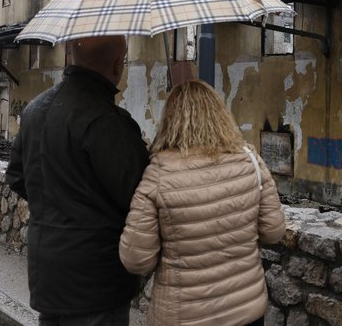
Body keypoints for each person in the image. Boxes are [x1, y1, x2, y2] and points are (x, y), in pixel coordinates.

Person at [6, 35, 150, 326]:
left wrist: (58, 204)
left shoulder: (34, 110)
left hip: (48, 274)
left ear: (70, 58)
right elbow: (139, 195)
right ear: (116, 64)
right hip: (96, 281)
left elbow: (17, 176)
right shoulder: (107, 120)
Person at [119, 80, 286, 326]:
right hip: (245, 311)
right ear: (220, 113)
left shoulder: (159, 172)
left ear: (171, 120)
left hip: (184, 315)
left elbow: (136, 259)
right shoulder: (250, 160)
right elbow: (274, 232)